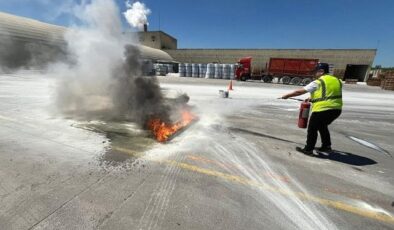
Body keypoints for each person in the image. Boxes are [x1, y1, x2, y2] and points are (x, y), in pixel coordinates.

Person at [280, 63, 343, 155]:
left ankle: (308, 149)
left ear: (321, 71)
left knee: (312, 129)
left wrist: (287, 95)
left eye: (316, 72)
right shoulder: (337, 80)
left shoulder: (318, 82)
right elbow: (330, 93)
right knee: (322, 126)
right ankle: (326, 146)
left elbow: (299, 91)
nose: (314, 74)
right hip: (336, 109)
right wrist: (312, 98)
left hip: (322, 109)